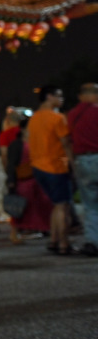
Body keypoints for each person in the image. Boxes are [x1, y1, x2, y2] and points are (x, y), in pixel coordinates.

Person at [27, 85, 76, 255]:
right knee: (63, 206)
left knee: (56, 205)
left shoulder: (33, 119)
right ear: (49, 97)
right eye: (59, 96)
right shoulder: (57, 118)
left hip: (38, 167)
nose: (61, 100)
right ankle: (64, 243)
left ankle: (54, 241)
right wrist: (74, 165)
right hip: (56, 166)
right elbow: (66, 144)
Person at [67, 82, 98, 257]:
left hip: (82, 161)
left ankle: (93, 242)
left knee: (91, 205)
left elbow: (68, 141)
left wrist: (73, 163)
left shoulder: (72, 115)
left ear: (81, 96)